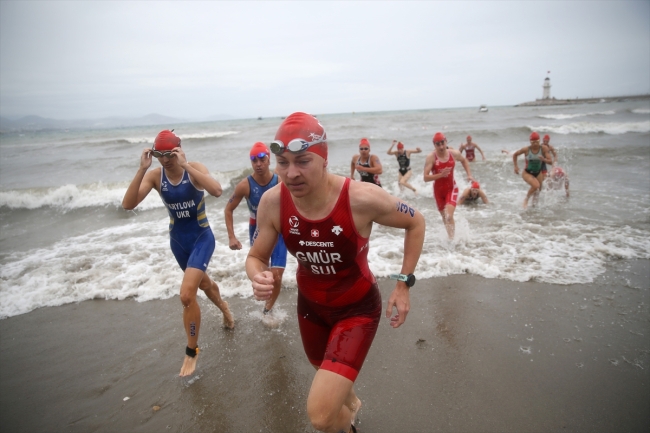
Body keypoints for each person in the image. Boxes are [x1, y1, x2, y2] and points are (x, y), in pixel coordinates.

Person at [246, 112, 425, 433]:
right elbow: (256, 256)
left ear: (324, 159)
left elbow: (416, 221)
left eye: (303, 161)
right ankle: (353, 405)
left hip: (356, 309)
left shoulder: (360, 198)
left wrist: (403, 284)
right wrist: (256, 274)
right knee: (325, 374)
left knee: (321, 415)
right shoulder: (273, 203)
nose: (291, 173)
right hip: (311, 310)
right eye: (282, 163)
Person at [122, 129, 234, 377]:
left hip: (202, 237)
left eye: (169, 154)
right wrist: (141, 169)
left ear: (179, 150)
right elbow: (128, 205)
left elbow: (216, 190)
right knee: (203, 284)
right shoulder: (154, 176)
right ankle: (225, 309)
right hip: (178, 242)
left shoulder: (194, 168)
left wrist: (186, 165)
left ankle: (191, 352)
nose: (165, 160)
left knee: (186, 295)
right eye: (159, 154)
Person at [224, 142, 287, 318]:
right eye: (254, 160)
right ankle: (267, 301)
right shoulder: (245, 185)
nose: (258, 164)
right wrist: (231, 237)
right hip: (258, 230)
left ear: (268, 160)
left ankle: (267, 309)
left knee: (278, 274)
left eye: (262, 159)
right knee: (265, 274)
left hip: (279, 229)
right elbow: (228, 209)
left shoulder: (279, 181)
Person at [423, 132, 475, 240]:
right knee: (444, 217)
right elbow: (425, 177)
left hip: (451, 188)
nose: (441, 146)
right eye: (438, 144)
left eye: (442, 143)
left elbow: (464, 160)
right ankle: (451, 238)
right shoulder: (431, 158)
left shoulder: (453, 153)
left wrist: (469, 175)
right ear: (434, 145)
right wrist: (440, 175)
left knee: (448, 216)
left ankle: (452, 240)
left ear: (446, 141)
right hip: (438, 191)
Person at [512, 131, 553, 209]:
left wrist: (544, 159)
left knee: (538, 191)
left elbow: (550, 162)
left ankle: (534, 209)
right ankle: (526, 199)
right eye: (533, 142)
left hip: (538, 173)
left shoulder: (543, 148)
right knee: (536, 185)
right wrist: (515, 166)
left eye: (537, 142)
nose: (535, 144)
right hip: (527, 173)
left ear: (539, 141)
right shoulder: (526, 149)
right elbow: (515, 155)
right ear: (530, 142)